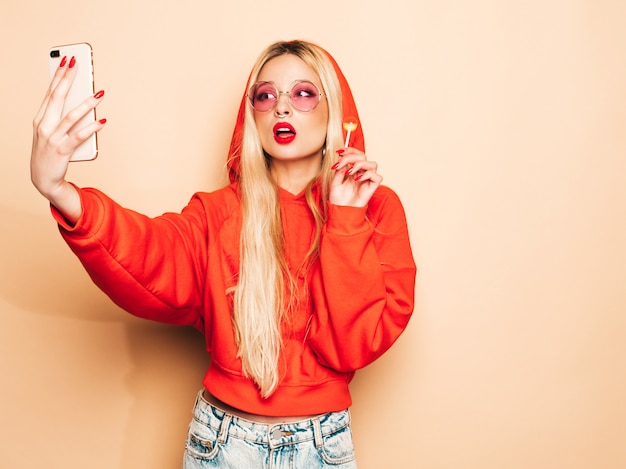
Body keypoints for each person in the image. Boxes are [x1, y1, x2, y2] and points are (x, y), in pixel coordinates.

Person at [31, 40, 416, 468]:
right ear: (251, 114)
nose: (281, 108)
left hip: (322, 449)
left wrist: (346, 218)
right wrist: (60, 192)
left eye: (303, 94)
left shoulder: (376, 209)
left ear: (336, 112)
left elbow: (350, 346)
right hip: (222, 446)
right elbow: (148, 254)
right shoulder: (216, 213)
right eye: (265, 95)